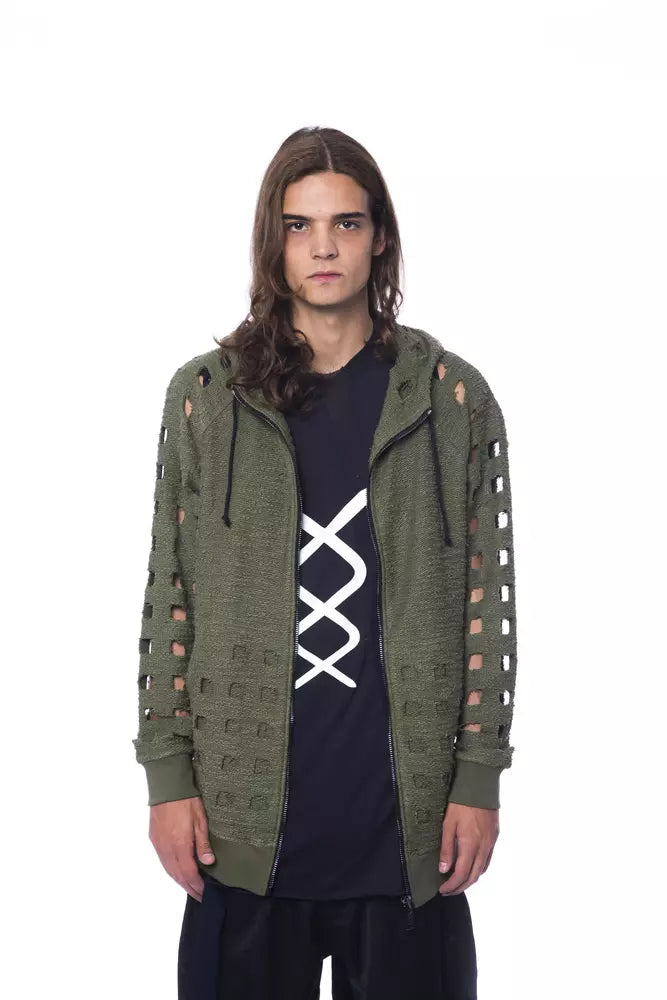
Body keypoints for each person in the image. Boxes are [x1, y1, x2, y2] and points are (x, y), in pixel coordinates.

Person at [132, 126, 518, 999]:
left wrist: (477, 777)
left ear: (379, 236)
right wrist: (166, 775)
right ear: (272, 242)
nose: (323, 247)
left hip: (410, 830)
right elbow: (169, 592)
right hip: (239, 822)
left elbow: (488, 602)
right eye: (298, 226)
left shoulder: (451, 400)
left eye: (346, 222)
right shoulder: (206, 398)